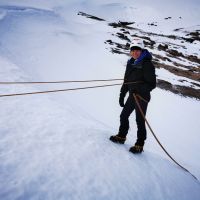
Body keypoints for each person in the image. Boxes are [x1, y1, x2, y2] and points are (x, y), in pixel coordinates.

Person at [110, 37, 156, 154]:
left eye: (137, 50)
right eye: (133, 50)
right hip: (132, 95)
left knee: (139, 120)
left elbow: (152, 84)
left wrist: (139, 90)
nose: (135, 52)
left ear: (141, 50)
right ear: (130, 51)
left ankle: (139, 144)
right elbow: (127, 80)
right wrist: (122, 94)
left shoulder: (147, 64)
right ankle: (121, 136)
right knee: (123, 115)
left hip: (142, 97)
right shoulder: (130, 63)